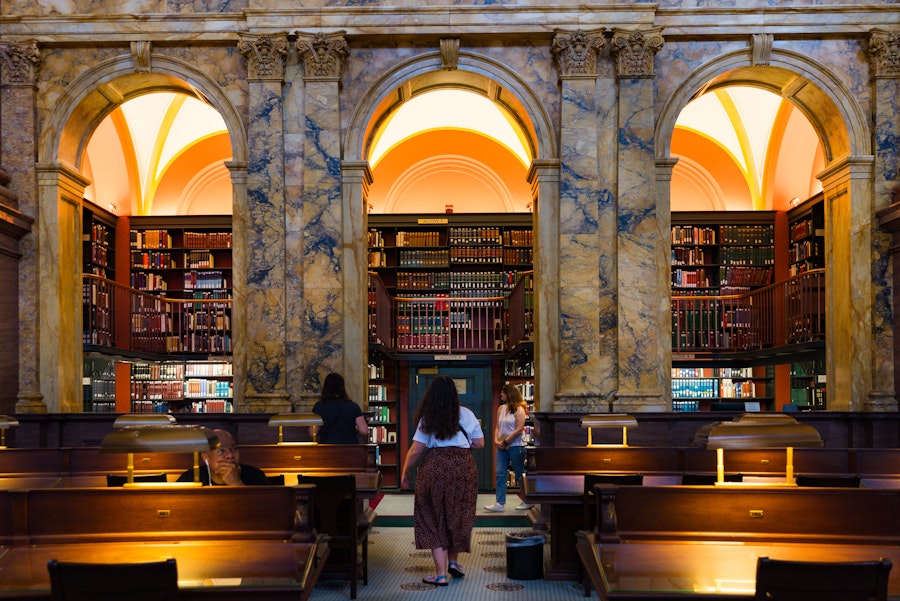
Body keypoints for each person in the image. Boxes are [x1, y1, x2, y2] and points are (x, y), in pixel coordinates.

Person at [400, 375, 484, 587]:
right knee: (457, 514)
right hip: (463, 468)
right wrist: (461, 449)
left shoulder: (428, 418)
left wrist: (405, 472)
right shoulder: (467, 414)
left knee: (433, 515)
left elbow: (416, 450)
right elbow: (480, 443)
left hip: (435, 468)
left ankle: (440, 574)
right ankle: (453, 563)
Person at [484, 384, 531, 512]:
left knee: (519, 473)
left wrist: (506, 441)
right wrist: (496, 440)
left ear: (509, 394)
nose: (501, 395)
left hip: (516, 446)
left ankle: (526, 500)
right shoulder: (501, 408)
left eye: (503, 392)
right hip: (501, 446)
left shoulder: (519, 410)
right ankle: (499, 503)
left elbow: (519, 429)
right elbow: (498, 427)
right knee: (500, 473)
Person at [176, 428, 270, 486]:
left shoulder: (255, 476)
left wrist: (236, 484)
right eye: (221, 451)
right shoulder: (190, 478)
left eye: (233, 449)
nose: (230, 455)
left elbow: (267, 512)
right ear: (205, 457)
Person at [311, 372, 369, 443]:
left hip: (327, 448)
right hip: (350, 448)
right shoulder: (353, 406)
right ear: (342, 387)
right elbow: (364, 431)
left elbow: (312, 432)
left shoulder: (319, 406)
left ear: (326, 387)